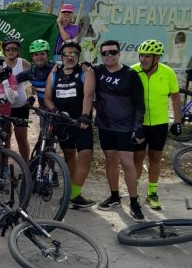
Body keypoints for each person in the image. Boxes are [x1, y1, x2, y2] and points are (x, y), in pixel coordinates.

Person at [93, 40, 146, 221]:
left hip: (125, 127)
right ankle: (115, 196)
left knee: (127, 162)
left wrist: (138, 127)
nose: (109, 56)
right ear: (101, 55)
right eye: (105, 53)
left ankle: (134, 202)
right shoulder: (97, 71)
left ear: (119, 54)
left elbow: (140, 103)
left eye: (112, 52)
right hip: (104, 125)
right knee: (110, 160)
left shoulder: (130, 74)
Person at [44, 40, 95, 209]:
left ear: (78, 56)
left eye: (73, 53)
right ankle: (74, 192)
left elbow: (88, 95)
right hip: (62, 122)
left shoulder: (86, 72)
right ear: (61, 56)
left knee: (86, 155)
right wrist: (54, 111)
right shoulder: (54, 73)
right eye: (66, 54)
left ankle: (73, 195)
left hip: (80, 122)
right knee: (69, 156)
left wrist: (85, 116)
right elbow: (48, 97)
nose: (70, 57)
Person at [132, 40, 182, 210]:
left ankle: (152, 193)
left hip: (159, 124)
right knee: (137, 158)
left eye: (148, 56)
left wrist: (177, 121)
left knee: (155, 158)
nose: (143, 59)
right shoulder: (133, 71)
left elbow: (175, 97)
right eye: (142, 55)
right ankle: (135, 193)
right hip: (139, 124)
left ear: (157, 58)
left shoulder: (168, 73)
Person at [2, 37, 31, 161]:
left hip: (21, 106)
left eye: (14, 48)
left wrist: (31, 96)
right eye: (8, 49)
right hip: (5, 106)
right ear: (4, 50)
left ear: (18, 50)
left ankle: (26, 165)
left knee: (21, 137)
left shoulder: (23, 63)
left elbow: (32, 82)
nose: (11, 51)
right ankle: (4, 167)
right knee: (5, 137)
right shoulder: (0, 63)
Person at [27, 39, 55, 108]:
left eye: (42, 54)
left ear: (47, 55)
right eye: (36, 54)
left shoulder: (57, 67)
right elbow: (14, 80)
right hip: (43, 110)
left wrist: (85, 66)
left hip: (59, 107)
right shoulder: (30, 71)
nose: (39, 57)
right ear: (32, 57)